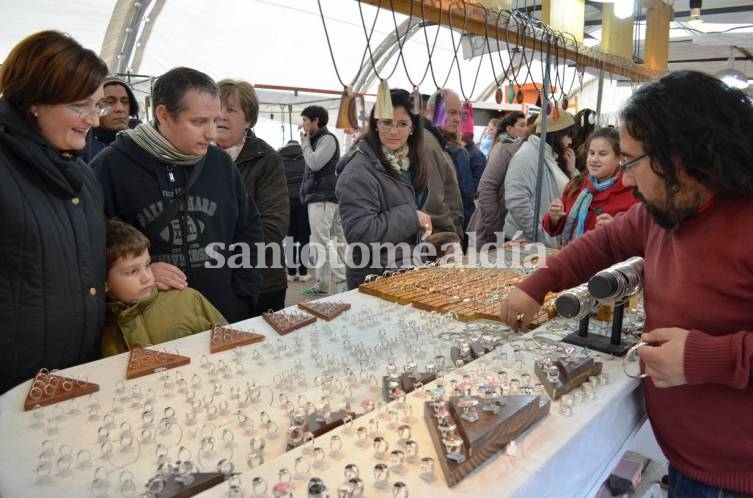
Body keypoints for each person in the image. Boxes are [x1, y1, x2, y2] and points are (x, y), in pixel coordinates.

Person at [504, 70, 753, 498]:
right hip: (688, 461)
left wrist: (705, 358)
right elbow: (602, 245)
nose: (627, 179)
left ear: (680, 157)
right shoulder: (666, 211)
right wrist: (537, 283)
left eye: (633, 162)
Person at [92, 67, 264, 323]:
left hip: (223, 316)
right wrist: (142, 273)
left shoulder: (220, 164)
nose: (212, 134)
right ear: (164, 115)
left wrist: (241, 298)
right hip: (150, 327)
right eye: (199, 122)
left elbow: (249, 231)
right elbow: (91, 249)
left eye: (215, 121)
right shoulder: (110, 167)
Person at [0, 30, 108, 394]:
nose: (94, 119)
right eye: (81, 106)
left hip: (75, 373)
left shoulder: (83, 176)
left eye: (98, 105)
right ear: (34, 101)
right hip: (15, 385)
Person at [336, 89, 430, 289]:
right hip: (375, 279)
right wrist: (412, 218)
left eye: (403, 124)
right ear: (375, 124)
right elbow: (360, 234)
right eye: (386, 122)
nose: (394, 131)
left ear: (413, 128)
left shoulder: (410, 162)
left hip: (405, 271)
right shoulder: (358, 171)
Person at [101, 219, 226, 356]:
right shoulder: (98, 330)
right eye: (132, 271)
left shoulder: (188, 300)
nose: (147, 277)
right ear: (104, 282)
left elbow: (232, 341)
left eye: (147, 265)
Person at [216, 79, 289, 315]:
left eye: (231, 109)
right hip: (210, 281)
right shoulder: (195, 155)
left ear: (249, 120)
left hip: (262, 280)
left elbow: (273, 226)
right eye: (217, 108)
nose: (221, 116)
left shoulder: (266, 159)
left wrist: (213, 247)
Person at [542, 127, 637, 244]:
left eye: (603, 154)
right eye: (591, 153)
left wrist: (618, 230)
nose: (594, 159)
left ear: (619, 157)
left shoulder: (633, 191)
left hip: (610, 261)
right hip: (571, 257)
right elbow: (556, 228)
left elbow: (643, 237)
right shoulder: (576, 185)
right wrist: (554, 218)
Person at [503, 110, 576, 247]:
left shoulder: (548, 156)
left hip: (536, 241)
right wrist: (540, 233)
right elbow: (516, 200)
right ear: (556, 134)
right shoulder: (528, 155)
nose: (570, 141)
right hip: (524, 242)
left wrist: (571, 172)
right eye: (568, 135)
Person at [299, 105, 347, 296]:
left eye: (304, 120)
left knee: (323, 240)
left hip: (324, 197)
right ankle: (322, 284)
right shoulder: (318, 139)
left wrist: (304, 144)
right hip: (322, 197)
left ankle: (342, 282)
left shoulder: (326, 139)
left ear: (315, 120)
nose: (302, 124)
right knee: (324, 240)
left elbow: (315, 163)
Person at [467, 114, 537, 243]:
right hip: (492, 232)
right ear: (509, 129)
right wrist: (495, 229)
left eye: (526, 125)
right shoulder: (505, 148)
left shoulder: (527, 152)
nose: (526, 129)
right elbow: (486, 187)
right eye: (522, 125)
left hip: (509, 233)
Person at [81, 76, 140, 163]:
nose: (120, 108)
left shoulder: (143, 142)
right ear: (95, 107)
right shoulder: (81, 145)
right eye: (110, 102)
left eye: (125, 102)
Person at [279, 139, 312, 282]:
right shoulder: (306, 155)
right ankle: (303, 273)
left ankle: (291, 273)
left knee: (290, 238)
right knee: (304, 238)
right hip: (303, 200)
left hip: (286, 201)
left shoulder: (278, 157)